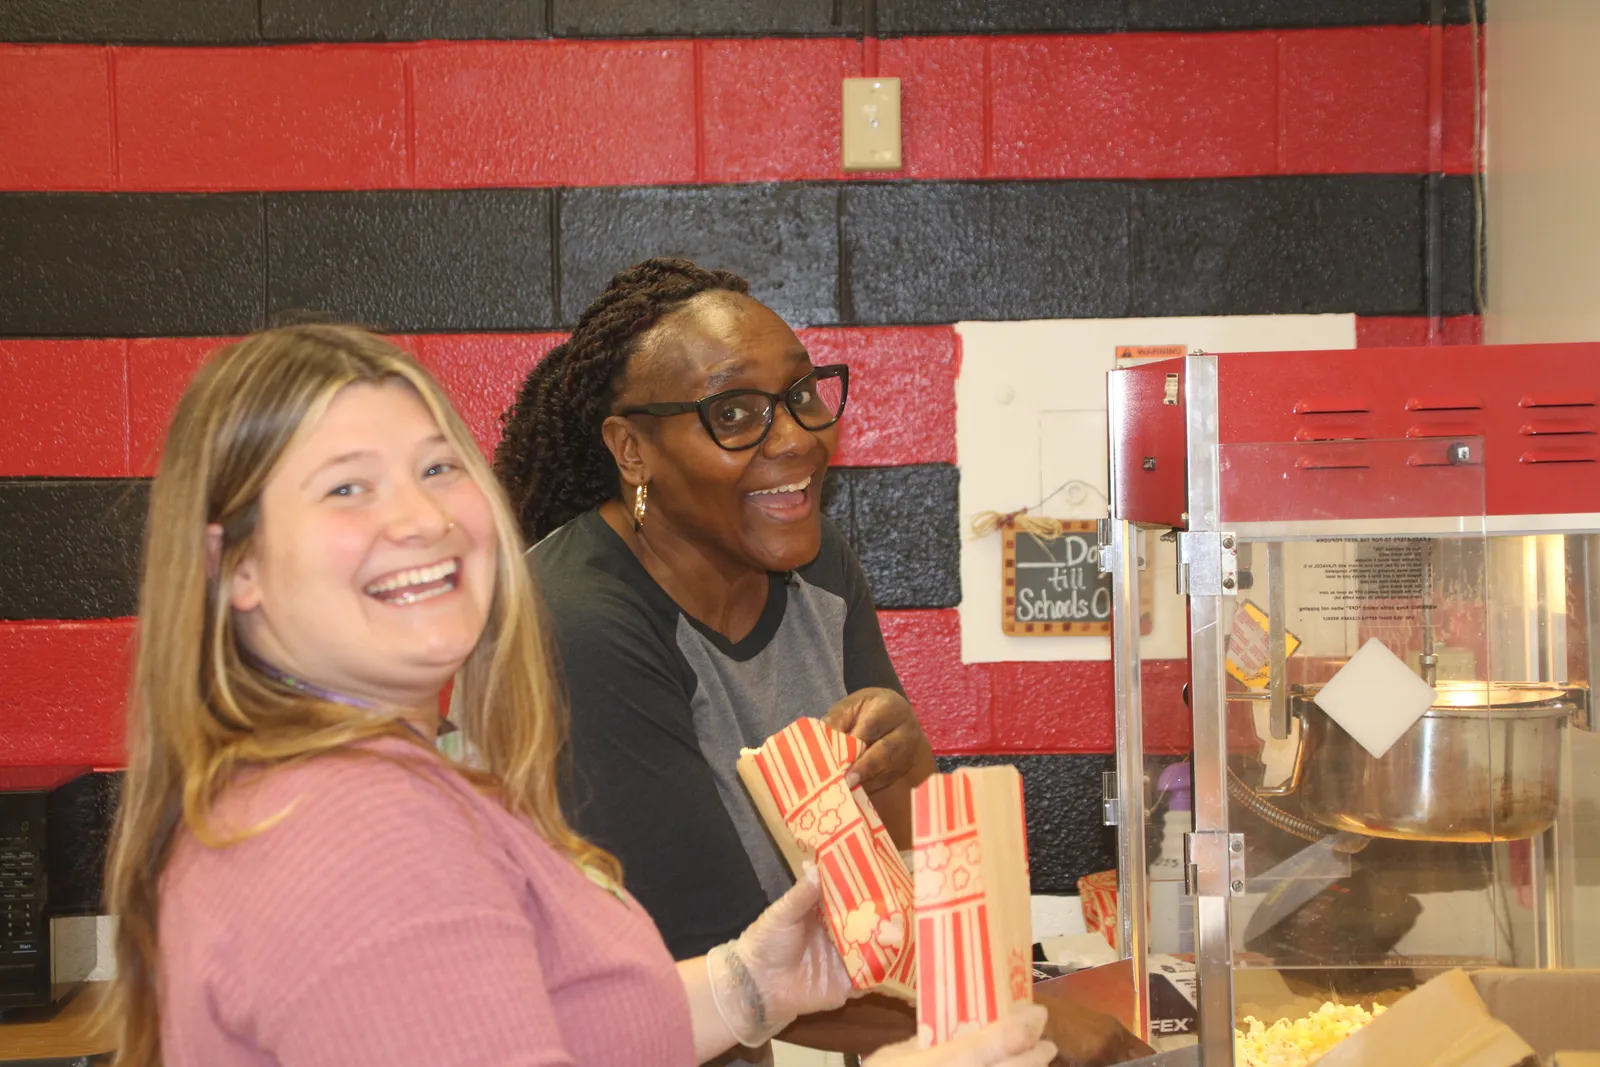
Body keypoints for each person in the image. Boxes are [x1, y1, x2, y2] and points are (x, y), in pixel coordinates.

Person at [100, 324, 1057, 1067]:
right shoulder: (363, 831)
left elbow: (514, 1027)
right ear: (239, 573)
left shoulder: (319, 782)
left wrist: (744, 989)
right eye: (347, 489)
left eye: (437, 466)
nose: (421, 516)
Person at [494, 260, 1155, 1064]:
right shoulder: (578, 622)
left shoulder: (813, 564)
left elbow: (895, 884)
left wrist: (905, 772)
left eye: (802, 395)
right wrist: (1029, 1021)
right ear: (632, 450)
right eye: (733, 411)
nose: (796, 436)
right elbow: (727, 955)